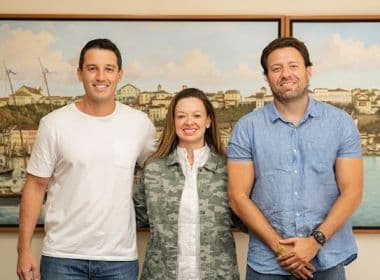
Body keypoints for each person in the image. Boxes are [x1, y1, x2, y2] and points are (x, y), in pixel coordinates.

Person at [16, 38, 156, 280]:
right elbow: (35, 186)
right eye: (92, 68)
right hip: (62, 257)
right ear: (80, 73)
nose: (100, 76)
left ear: (119, 74)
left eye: (108, 69)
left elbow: (160, 171)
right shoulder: (53, 124)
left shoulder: (139, 124)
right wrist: (23, 250)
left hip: (119, 259)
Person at [228, 37, 363, 280]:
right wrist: (282, 250)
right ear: (267, 76)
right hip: (267, 263)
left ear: (308, 71)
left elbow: (352, 190)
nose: (285, 74)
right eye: (276, 68)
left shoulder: (341, 123)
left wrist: (314, 242)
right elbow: (238, 198)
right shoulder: (246, 128)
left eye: (293, 66)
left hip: (326, 259)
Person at [134, 88, 240, 279]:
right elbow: (134, 216)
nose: (189, 122)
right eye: (181, 116)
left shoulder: (228, 169)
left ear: (208, 121)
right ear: (173, 122)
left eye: (197, 115)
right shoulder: (153, 169)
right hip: (162, 274)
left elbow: (244, 217)